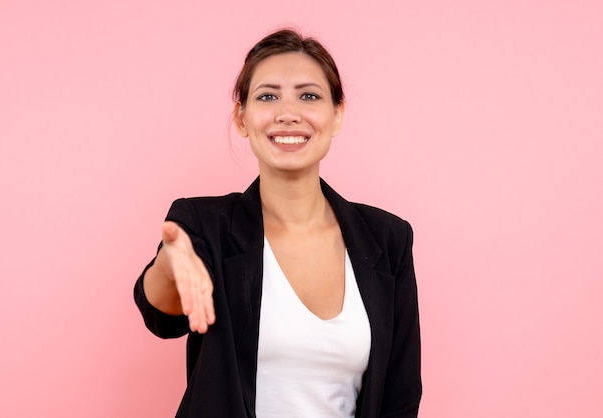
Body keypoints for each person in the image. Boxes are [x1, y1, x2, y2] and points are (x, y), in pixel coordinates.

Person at [134, 28, 421, 417]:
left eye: (309, 96)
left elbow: (400, 397)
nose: (288, 113)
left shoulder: (388, 239)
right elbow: (161, 316)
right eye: (268, 96)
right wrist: (170, 263)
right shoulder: (204, 225)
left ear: (337, 115)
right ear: (242, 117)